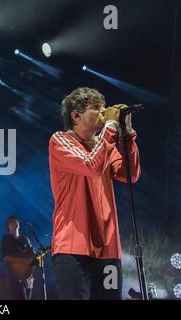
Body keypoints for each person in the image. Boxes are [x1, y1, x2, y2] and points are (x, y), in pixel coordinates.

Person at [49, 87, 141, 300]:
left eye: (103, 108)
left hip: (108, 248)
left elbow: (130, 174)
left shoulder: (104, 145)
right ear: (76, 116)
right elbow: (90, 166)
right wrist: (109, 128)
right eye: (96, 108)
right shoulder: (60, 140)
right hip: (73, 247)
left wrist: (126, 133)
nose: (103, 112)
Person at [0, 215, 35, 300]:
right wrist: (23, 260)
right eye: (12, 221)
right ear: (8, 226)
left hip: (28, 278)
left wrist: (34, 258)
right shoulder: (6, 239)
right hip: (15, 277)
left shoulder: (25, 239)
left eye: (16, 221)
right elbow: (4, 257)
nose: (15, 222)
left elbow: (32, 256)